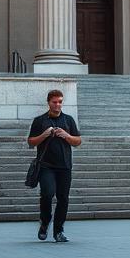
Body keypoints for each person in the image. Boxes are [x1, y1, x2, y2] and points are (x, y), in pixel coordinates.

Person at [27, 89, 82, 242]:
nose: (57, 105)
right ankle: (44, 223)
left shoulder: (68, 120)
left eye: (60, 102)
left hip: (65, 166)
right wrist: (44, 134)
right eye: (54, 102)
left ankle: (58, 230)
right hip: (46, 165)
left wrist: (67, 136)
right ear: (48, 103)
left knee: (63, 198)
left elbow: (78, 141)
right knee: (47, 194)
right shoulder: (39, 121)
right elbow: (31, 142)